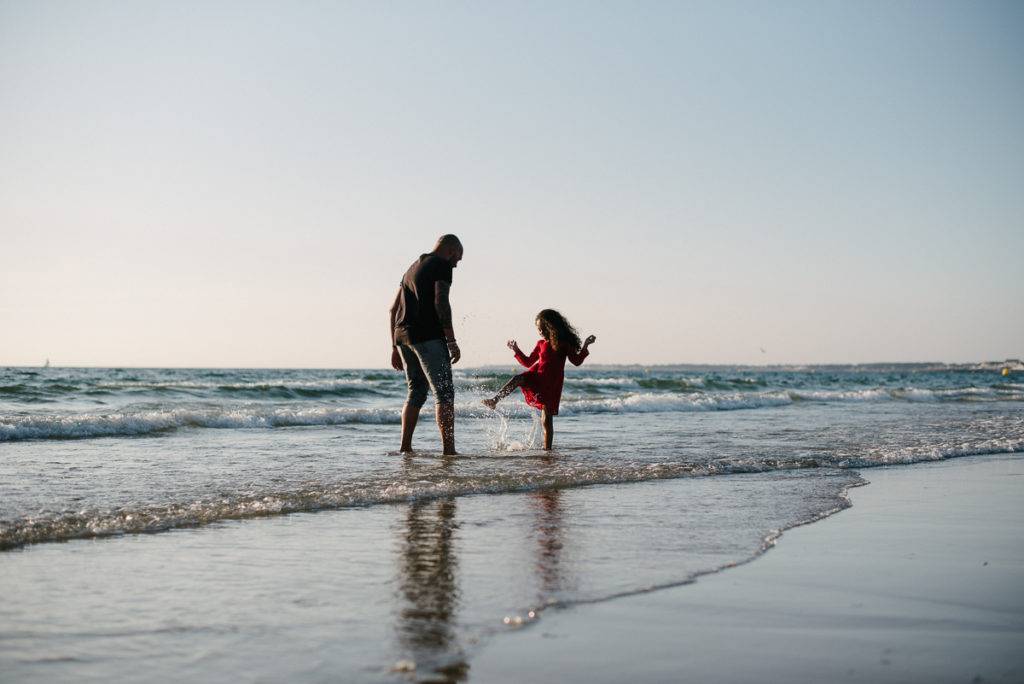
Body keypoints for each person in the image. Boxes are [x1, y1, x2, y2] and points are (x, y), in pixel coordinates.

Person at [390, 235, 463, 455]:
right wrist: (451, 340)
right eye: (457, 258)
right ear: (450, 250)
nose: (456, 264)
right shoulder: (441, 265)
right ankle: (448, 451)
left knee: (416, 392)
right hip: (428, 336)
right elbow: (441, 301)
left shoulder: (412, 267)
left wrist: (394, 346)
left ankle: (405, 447)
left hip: (403, 336)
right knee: (444, 394)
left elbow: (393, 309)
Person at [482, 309, 596, 450]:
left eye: (541, 329)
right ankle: (494, 400)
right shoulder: (540, 344)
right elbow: (528, 362)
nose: (540, 332)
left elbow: (577, 361)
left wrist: (585, 346)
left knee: (546, 420)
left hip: (551, 384)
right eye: (538, 329)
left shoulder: (563, 344)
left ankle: (547, 451)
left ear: (550, 327)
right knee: (517, 378)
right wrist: (516, 350)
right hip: (537, 377)